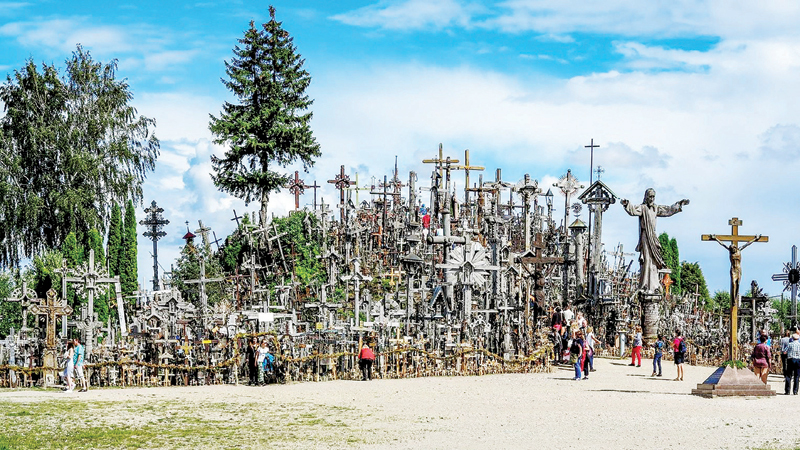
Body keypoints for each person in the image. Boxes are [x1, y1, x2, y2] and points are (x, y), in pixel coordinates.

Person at [621, 189, 689, 293]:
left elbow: (668, 210)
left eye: (653, 197)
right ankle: (645, 284)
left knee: (654, 261)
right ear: (646, 197)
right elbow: (633, 210)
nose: (652, 199)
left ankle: (654, 284)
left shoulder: (656, 208)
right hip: (646, 236)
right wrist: (627, 204)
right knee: (647, 260)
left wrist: (679, 204)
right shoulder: (642, 208)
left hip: (653, 236)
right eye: (650, 197)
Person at [785, 331, 800, 395]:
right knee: (797, 376)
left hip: (790, 359)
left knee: (789, 375)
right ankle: (795, 391)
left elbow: (784, 351)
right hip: (798, 360)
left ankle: (787, 391)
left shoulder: (789, 344)